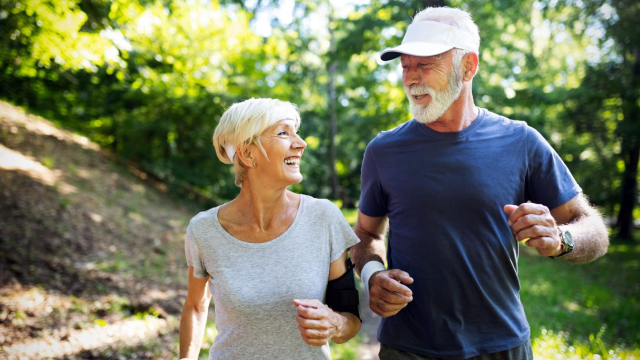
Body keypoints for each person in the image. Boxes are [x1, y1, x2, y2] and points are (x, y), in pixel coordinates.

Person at [349, 7, 610, 360]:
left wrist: (562, 239)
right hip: (408, 348)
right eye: (405, 65)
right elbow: (366, 234)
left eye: (425, 64)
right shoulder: (383, 150)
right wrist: (373, 274)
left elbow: (593, 228)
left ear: (468, 66)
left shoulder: (522, 141)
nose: (411, 78)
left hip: (502, 346)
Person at [179, 98, 362, 360]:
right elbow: (196, 307)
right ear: (248, 153)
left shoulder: (324, 218)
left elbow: (351, 322)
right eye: (283, 133)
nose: (301, 143)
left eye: (296, 133)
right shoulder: (204, 229)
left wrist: (334, 322)